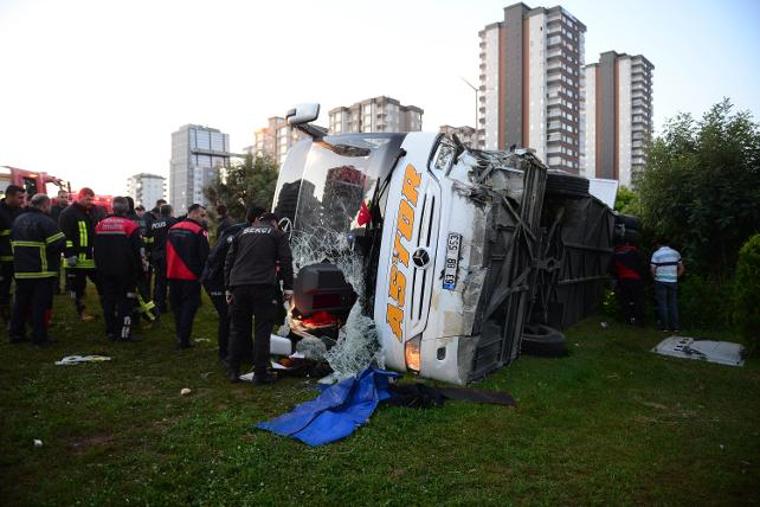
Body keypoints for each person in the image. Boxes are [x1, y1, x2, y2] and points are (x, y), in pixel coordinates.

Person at [224, 211, 294, 385]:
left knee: (238, 329)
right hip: (263, 287)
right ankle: (260, 374)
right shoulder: (277, 234)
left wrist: (228, 287)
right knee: (262, 330)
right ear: (274, 223)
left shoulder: (242, 233)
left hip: (238, 286)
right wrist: (289, 287)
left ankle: (233, 371)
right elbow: (286, 260)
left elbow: (229, 260)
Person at [9, 194, 66, 346]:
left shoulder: (19, 219)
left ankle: (16, 333)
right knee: (39, 305)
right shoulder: (46, 221)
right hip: (42, 270)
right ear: (45, 205)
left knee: (21, 303)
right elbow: (59, 243)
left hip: (21, 270)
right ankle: (39, 337)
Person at [93, 197, 146, 341]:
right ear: (127, 209)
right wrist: (142, 272)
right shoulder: (130, 226)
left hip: (104, 271)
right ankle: (124, 333)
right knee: (126, 302)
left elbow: (95, 250)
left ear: (112, 208)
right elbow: (139, 252)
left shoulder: (100, 225)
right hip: (126, 272)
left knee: (108, 301)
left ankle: (110, 331)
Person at [202, 213, 249, 362]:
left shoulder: (242, 232)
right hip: (216, 280)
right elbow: (219, 260)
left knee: (238, 316)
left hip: (225, 279)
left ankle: (243, 350)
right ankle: (225, 353)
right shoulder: (236, 234)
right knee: (227, 316)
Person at [166, 204, 209, 349]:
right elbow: (204, 256)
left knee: (177, 306)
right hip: (190, 275)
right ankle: (184, 339)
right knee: (189, 307)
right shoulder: (198, 231)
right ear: (195, 214)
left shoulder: (173, 229)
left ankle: (179, 334)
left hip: (172, 273)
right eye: (202, 215)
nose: (204, 219)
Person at [59, 188, 100, 321]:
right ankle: (82, 313)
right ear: (80, 197)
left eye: (92, 199)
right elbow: (65, 236)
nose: (91, 202)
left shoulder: (94, 211)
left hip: (91, 258)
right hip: (75, 260)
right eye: (88, 199)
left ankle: (109, 308)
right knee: (78, 288)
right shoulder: (68, 213)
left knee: (102, 283)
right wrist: (69, 254)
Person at [0, 185, 26, 321]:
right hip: (4, 259)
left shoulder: (20, 211)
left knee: (24, 287)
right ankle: (6, 314)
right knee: (4, 288)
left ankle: (23, 314)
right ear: (9, 196)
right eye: (19, 197)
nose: (22, 200)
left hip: (20, 258)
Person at [651, 239, 685, 332]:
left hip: (660, 281)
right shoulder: (676, 253)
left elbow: (653, 269)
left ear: (658, 244)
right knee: (673, 304)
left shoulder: (656, 254)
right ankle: (675, 327)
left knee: (662, 304)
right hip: (673, 281)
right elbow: (682, 268)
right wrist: (675, 276)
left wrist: (655, 278)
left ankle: (665, 327)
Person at [150, 204, 177, 315]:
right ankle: (174, 304)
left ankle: (160, 305)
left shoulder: (154, 223)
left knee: (160, 281)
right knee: (173, 280)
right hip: (169, 255)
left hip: (156, 255)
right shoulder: (173, 221)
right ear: (170, 211)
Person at [613, 239, 645, 326]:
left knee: (625, 300)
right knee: (638, 300)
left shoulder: (617, 253)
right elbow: (643, 266)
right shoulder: (637, 253)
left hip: (623, 279)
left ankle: (627, 319)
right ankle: (639, 321)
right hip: (636, 279)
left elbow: (612, 269)